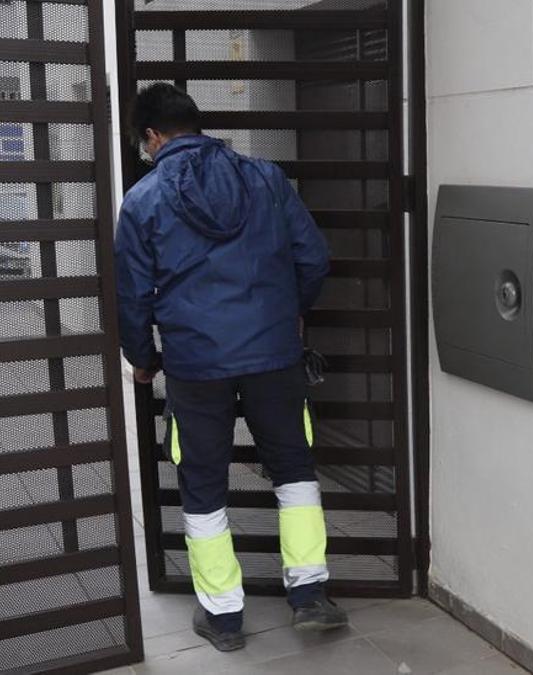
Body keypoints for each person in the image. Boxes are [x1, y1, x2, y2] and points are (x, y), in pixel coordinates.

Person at [115, 83, 343, 652]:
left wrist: (143, 360)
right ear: (196, 123)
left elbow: (133, 296)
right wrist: (291, 314)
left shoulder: (143, 202)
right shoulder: (266, 180)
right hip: (274, 355)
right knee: (293, 470)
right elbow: (313, 257)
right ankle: (310, 595)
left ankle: (222, 617)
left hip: (196, 366)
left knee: (202, 483)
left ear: (152, 136)